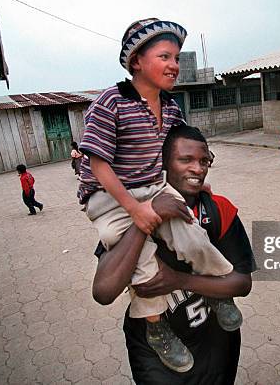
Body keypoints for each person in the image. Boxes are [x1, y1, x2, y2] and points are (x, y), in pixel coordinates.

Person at [78, 18, 240, 372]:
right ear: (136, 60)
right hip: (110, 194)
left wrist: (193, 184)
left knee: (192, 233)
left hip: (155, 184)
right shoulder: (111, 102)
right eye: (164, 56)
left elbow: (174, 154)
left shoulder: (170, 107)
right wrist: (135, 209)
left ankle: (219, 291)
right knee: (139, 256)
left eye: (177, 58)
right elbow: (99, 165)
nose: (173, 65)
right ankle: (155, 328)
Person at [92, 124, 256, 384]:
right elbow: (103, 291)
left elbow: (242, 283)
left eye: (204, 161)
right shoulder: (129, 214)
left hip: (216, 343)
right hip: (154, 355)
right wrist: (147, 217)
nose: (198, 168)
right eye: (185, 160)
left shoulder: (218, 210)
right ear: (162, 163)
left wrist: (180, 281)